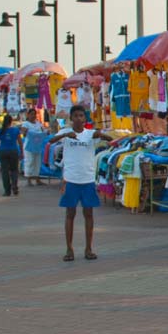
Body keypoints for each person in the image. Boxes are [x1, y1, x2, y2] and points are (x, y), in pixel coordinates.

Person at [48, 105, 114, 262]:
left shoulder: (90, 134)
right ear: (71, 118)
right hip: (71, 180)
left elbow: (110, 140)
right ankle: (69, 249)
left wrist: (101, 135)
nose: (79, 118)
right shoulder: (65, 133)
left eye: (81, 116)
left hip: (88, 180)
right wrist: (65, 136)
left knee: (89, 214)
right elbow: (50, 141)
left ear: (85, 119)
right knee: (70, 214)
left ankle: (88, 248)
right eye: (76, 116)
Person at [0, 114, 24, 196]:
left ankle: (7, 191)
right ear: (11, 121)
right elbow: (20, 142)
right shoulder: (15, 130)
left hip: (3, 152)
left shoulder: (0, 130)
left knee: (5, 172)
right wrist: (22, 152)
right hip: (13, 151)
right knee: (14, 170)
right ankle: (14, 184)